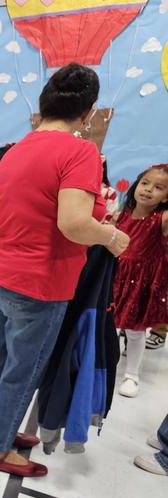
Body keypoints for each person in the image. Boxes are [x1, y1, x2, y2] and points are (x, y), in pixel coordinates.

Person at [0, 63, 130, 478]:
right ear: (88, 111)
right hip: (38, 282)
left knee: (1, 359)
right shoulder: (80, 151)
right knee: (22, 369)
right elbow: (74, 223)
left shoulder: (17, 150)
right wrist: (111, 237)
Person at [111, 165, 168, 398]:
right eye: (145, 183)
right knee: (108, 324)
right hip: (115, 277)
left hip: (141, 282)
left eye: (158, 188)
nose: (148, 190)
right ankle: (100, 365)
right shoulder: (122, 214)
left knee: (135, 332)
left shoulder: (162, 219)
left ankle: (132, 375)